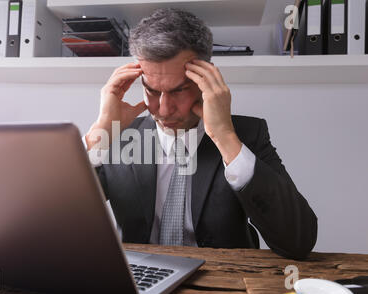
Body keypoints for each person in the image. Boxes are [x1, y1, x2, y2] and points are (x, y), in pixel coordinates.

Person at [83, 8, 317, 260]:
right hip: (140, 283)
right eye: (151, 90)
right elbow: (57, 224)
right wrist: (101, 132)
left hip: (224, 283)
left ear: (206, 77)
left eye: (179, 90)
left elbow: (298, 241)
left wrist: (225, 137)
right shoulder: (118, 137)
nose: (163, 109)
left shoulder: (247, 135)